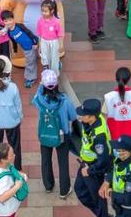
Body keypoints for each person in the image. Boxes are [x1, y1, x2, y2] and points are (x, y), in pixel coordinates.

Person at [32, 69, 77, 199]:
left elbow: (37, 95)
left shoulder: (39, 100)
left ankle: (48, 185)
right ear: (57, 85)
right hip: (63, 135)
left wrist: (41, 85)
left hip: (45, 133)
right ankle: (64, 189)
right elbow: (73, 116)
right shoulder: (64, 100)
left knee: (45, 159)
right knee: (63, 162)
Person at [75, 98, 113, 217]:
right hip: (86, 163)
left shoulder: (99, 136)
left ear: (92, 116)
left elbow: (104, 160)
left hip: (94, 168)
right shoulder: (90, 121)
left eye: (83, 114)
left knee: (99, 198)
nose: (80, 116)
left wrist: (89, 170)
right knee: (80, 190)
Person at [99, 135, 131, 217]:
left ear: (128, 152)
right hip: (121, 204)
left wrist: (112, 193)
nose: (117, 151)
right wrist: (107, 181)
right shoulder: (120, 158)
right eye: (117, 149)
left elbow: (129, 199)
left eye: (120, 150)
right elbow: (113, 168)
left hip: (129, 209)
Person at [102, 67, 131, 141]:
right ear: (129, 79)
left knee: (116, 151)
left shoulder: (109, 97)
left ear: (116, 79)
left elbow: (104, 115)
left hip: (115, 133)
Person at [1, 10, 39, 88]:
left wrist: (35, 42)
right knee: (31, 60)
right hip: (26, 49)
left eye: (10, 20)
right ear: (3, 22)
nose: (8, 22)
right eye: (6, 21)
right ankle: (31, 77)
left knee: (30, 62)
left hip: (32, 44)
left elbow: (29, 33)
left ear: (13, 19)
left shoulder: (19, 26)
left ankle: (30, 78)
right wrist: (15, 50)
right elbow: (13, 41)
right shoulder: (9, 32)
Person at [0, 142, 26, 217]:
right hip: (4, 211)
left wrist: (19, 174)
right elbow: (1, 198)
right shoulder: (3, 178)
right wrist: (17, 186)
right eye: (11, 155)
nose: (14, 155)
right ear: (3, 160)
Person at [36, 0, 64, 76]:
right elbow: (39, 33)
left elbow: (60, 34)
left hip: (54, 42)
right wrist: (39, 45)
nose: (43, 13)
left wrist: (61, 45)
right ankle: (47, 73)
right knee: (45, 58)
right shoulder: (40, 20)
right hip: (44, 41)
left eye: (45, 11)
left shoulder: (56, 21)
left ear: (52, 11)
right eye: (42, 11)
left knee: (54, 58)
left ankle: (54, 74)